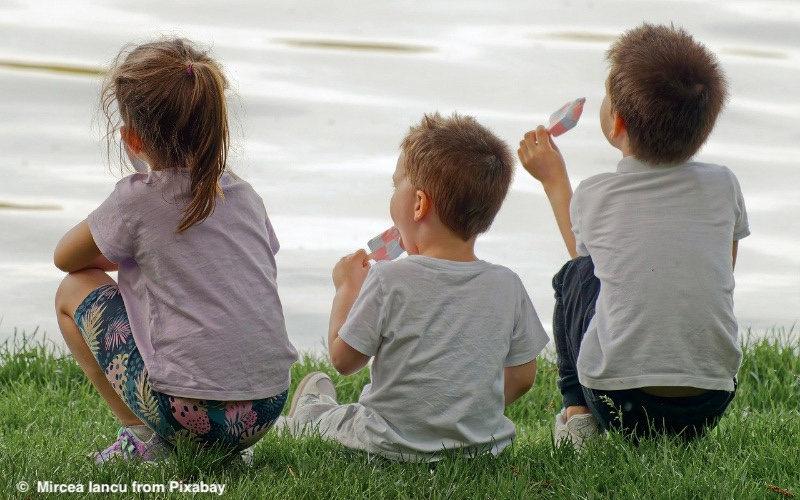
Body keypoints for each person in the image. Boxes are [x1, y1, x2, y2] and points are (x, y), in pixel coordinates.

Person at [53, 38, 298, 463]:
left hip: (187, 413)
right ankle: (226, 450)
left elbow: (66, 259)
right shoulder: (246, 195)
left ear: (131, 137)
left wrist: (129, 249)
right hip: (267, 406)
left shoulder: (136, 200)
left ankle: (142, 436)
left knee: (71, 291)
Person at [518, 23, 749, 448]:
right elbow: (723, 269)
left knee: (574, 277)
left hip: (617, 401)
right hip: (710, 400)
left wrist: (554, 180)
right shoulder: (724, 185)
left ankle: (577, 413)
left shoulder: (596, 193)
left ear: (617, 122)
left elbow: (587, 264)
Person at [281, 112, 550, 462]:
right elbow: (523, 376)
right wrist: (466, 413)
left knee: (331, 421)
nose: (392, 195)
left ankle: (309, 412)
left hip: (386, 443)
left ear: (420, 204)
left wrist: (347, 287)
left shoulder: (388, 279)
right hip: (481, 448)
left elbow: (343, 360)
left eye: (396, 186)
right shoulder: (508, 285)